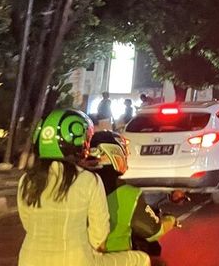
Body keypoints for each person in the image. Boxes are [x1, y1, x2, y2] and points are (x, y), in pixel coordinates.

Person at [18, 109, 148, 266]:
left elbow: (27, 223)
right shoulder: (88, 180)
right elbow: (99, 233)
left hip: (28, 260)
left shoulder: (26, 180)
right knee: (141, 259)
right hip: (76, 260)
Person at [87, 131, 176, 260]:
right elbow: (153, 231)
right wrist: (171, 220)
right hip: (111, 258)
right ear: (114, 154)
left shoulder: (77, 184)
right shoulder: (126, 193)